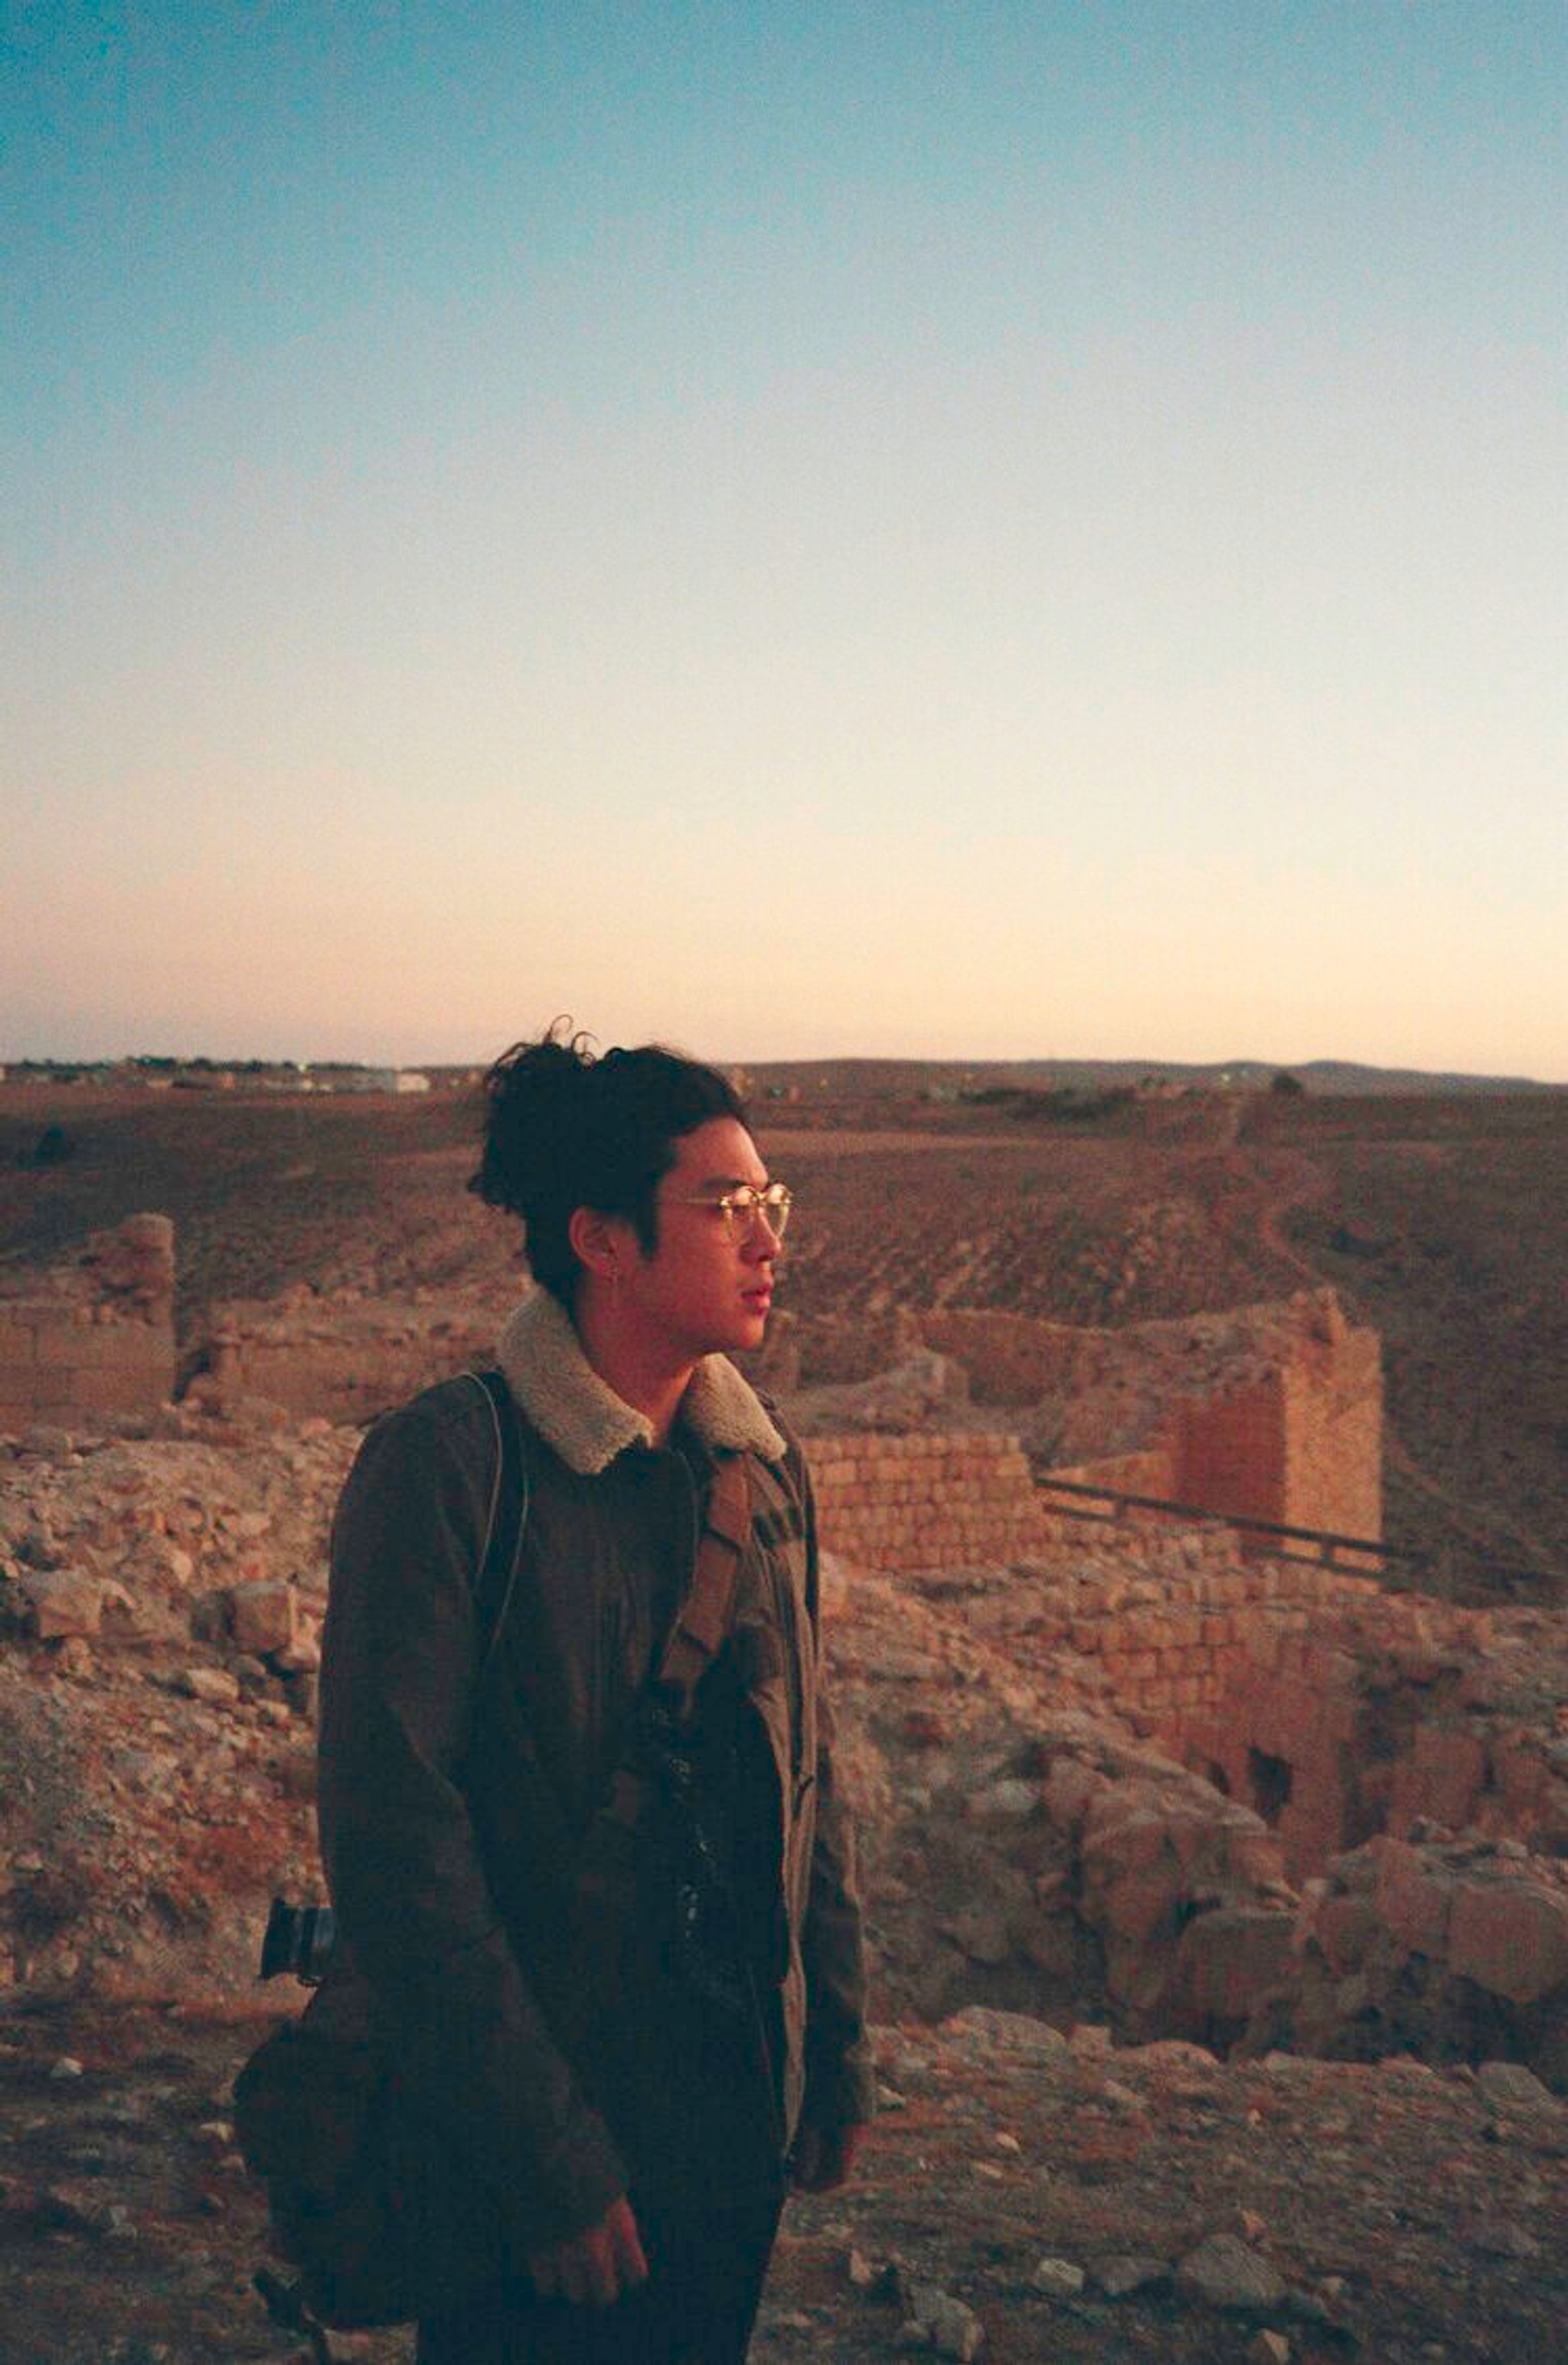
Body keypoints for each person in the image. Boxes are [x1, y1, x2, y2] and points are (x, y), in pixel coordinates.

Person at [316, 1025, 873, 2363]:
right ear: (604, 1240)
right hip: (534, 2139)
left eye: (771, 1201)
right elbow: (397, 1840)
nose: (766, 1238)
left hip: (727, 2116)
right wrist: (545, 2161)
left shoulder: (762, 1470)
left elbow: (808, 1773)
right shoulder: (452, 1469)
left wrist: (836, 2050)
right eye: (724, 1205)